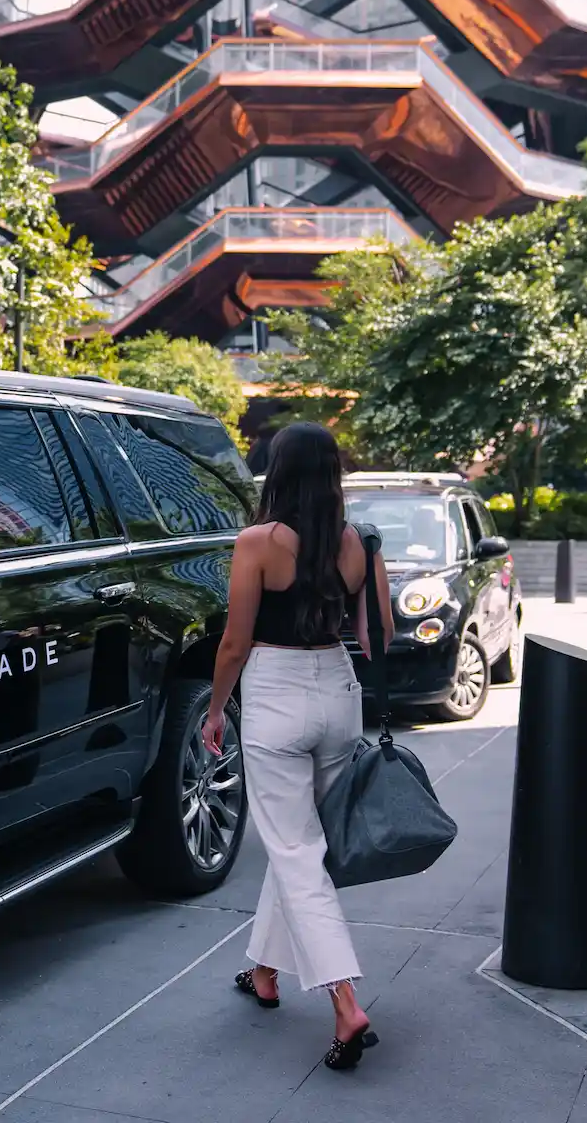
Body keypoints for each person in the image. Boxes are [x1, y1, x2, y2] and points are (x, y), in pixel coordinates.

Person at [203, 421, 393, 1071]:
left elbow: (234, 642)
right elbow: (379, 636)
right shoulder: (359, 541)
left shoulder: (258, 541)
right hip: (338, 691)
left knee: (294, 848)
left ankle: (344, 1001)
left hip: (276, 692)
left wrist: (213, 712)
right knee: (303, 846)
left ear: (278, 472)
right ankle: (263, 970)